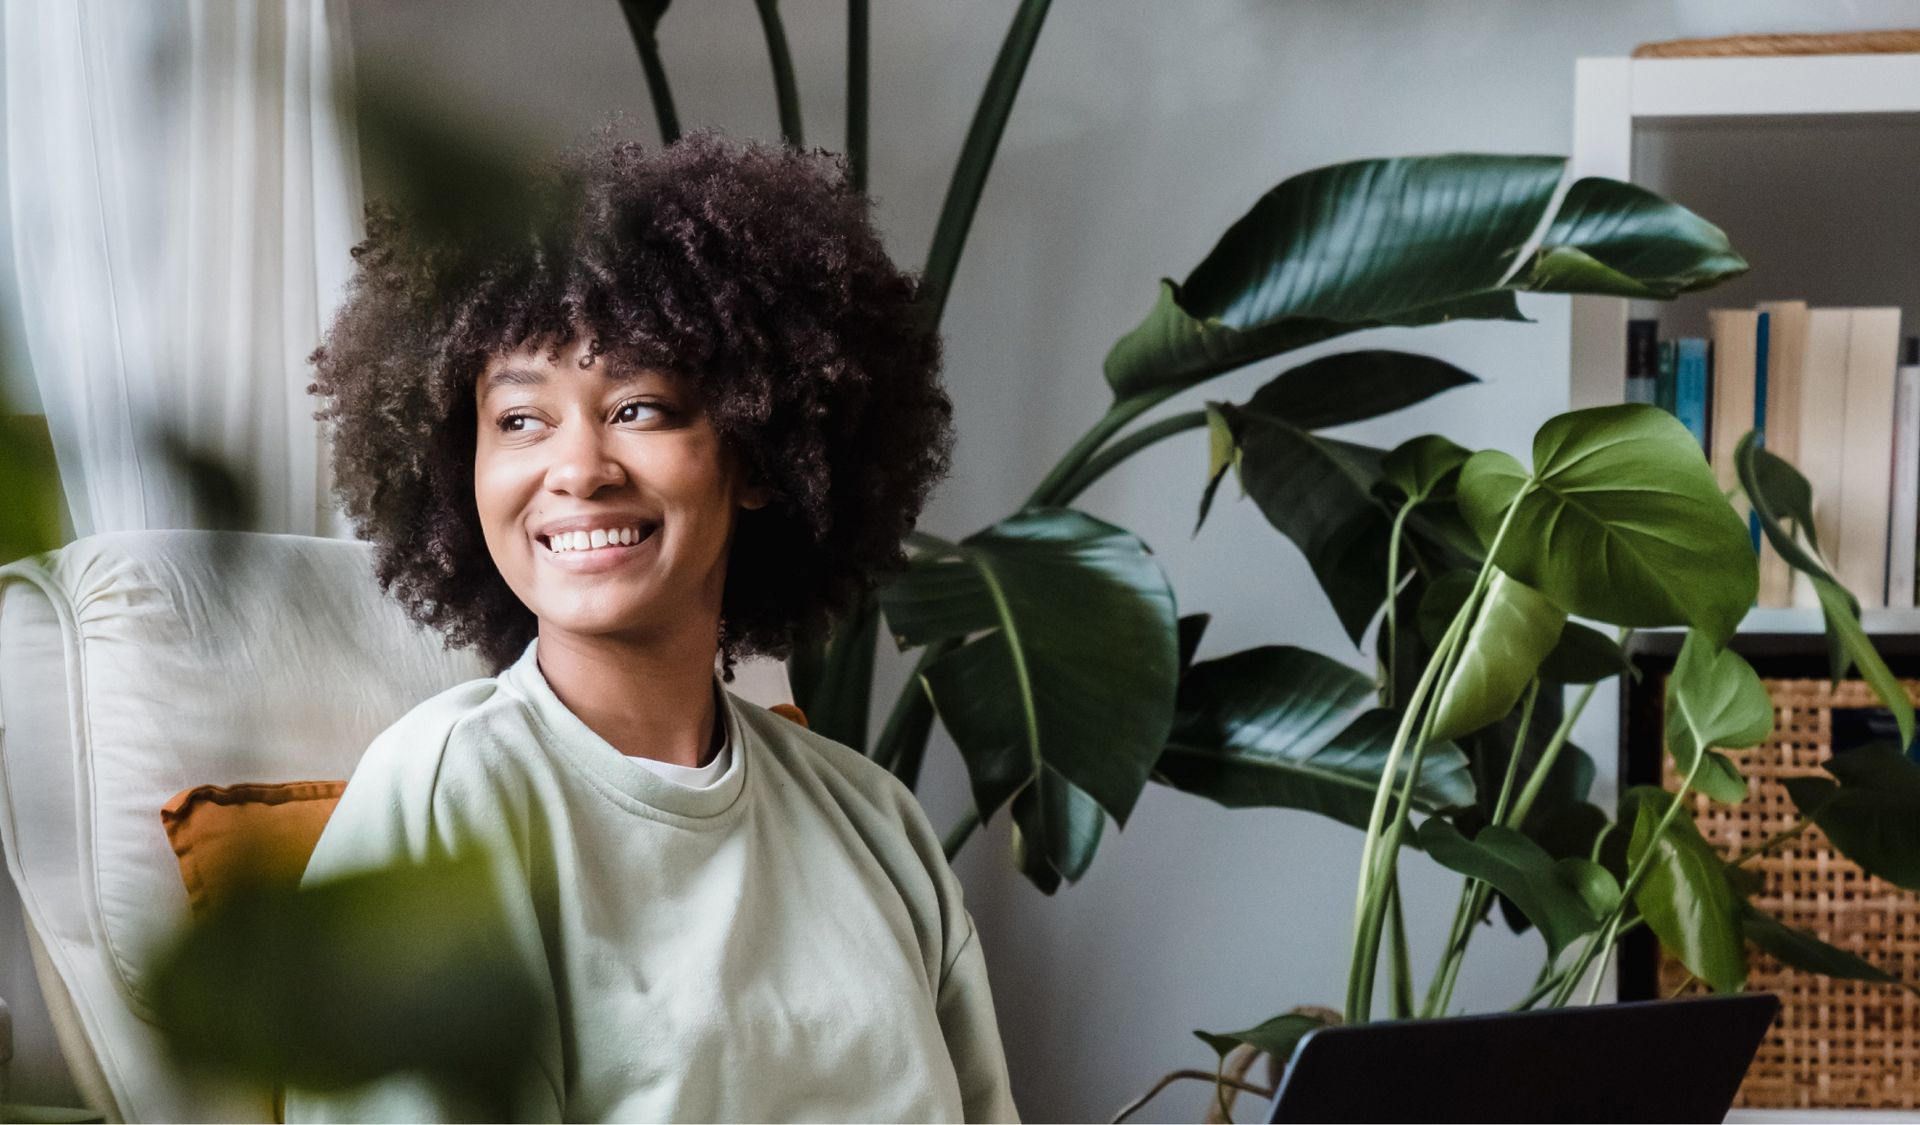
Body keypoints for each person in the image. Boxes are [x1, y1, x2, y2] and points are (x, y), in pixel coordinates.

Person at [282, 130, 1019, 1123]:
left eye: (639, 408)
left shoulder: (872, 822)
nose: (579, 469)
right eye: (521, 421)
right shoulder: (444, 799)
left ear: (759, 457)